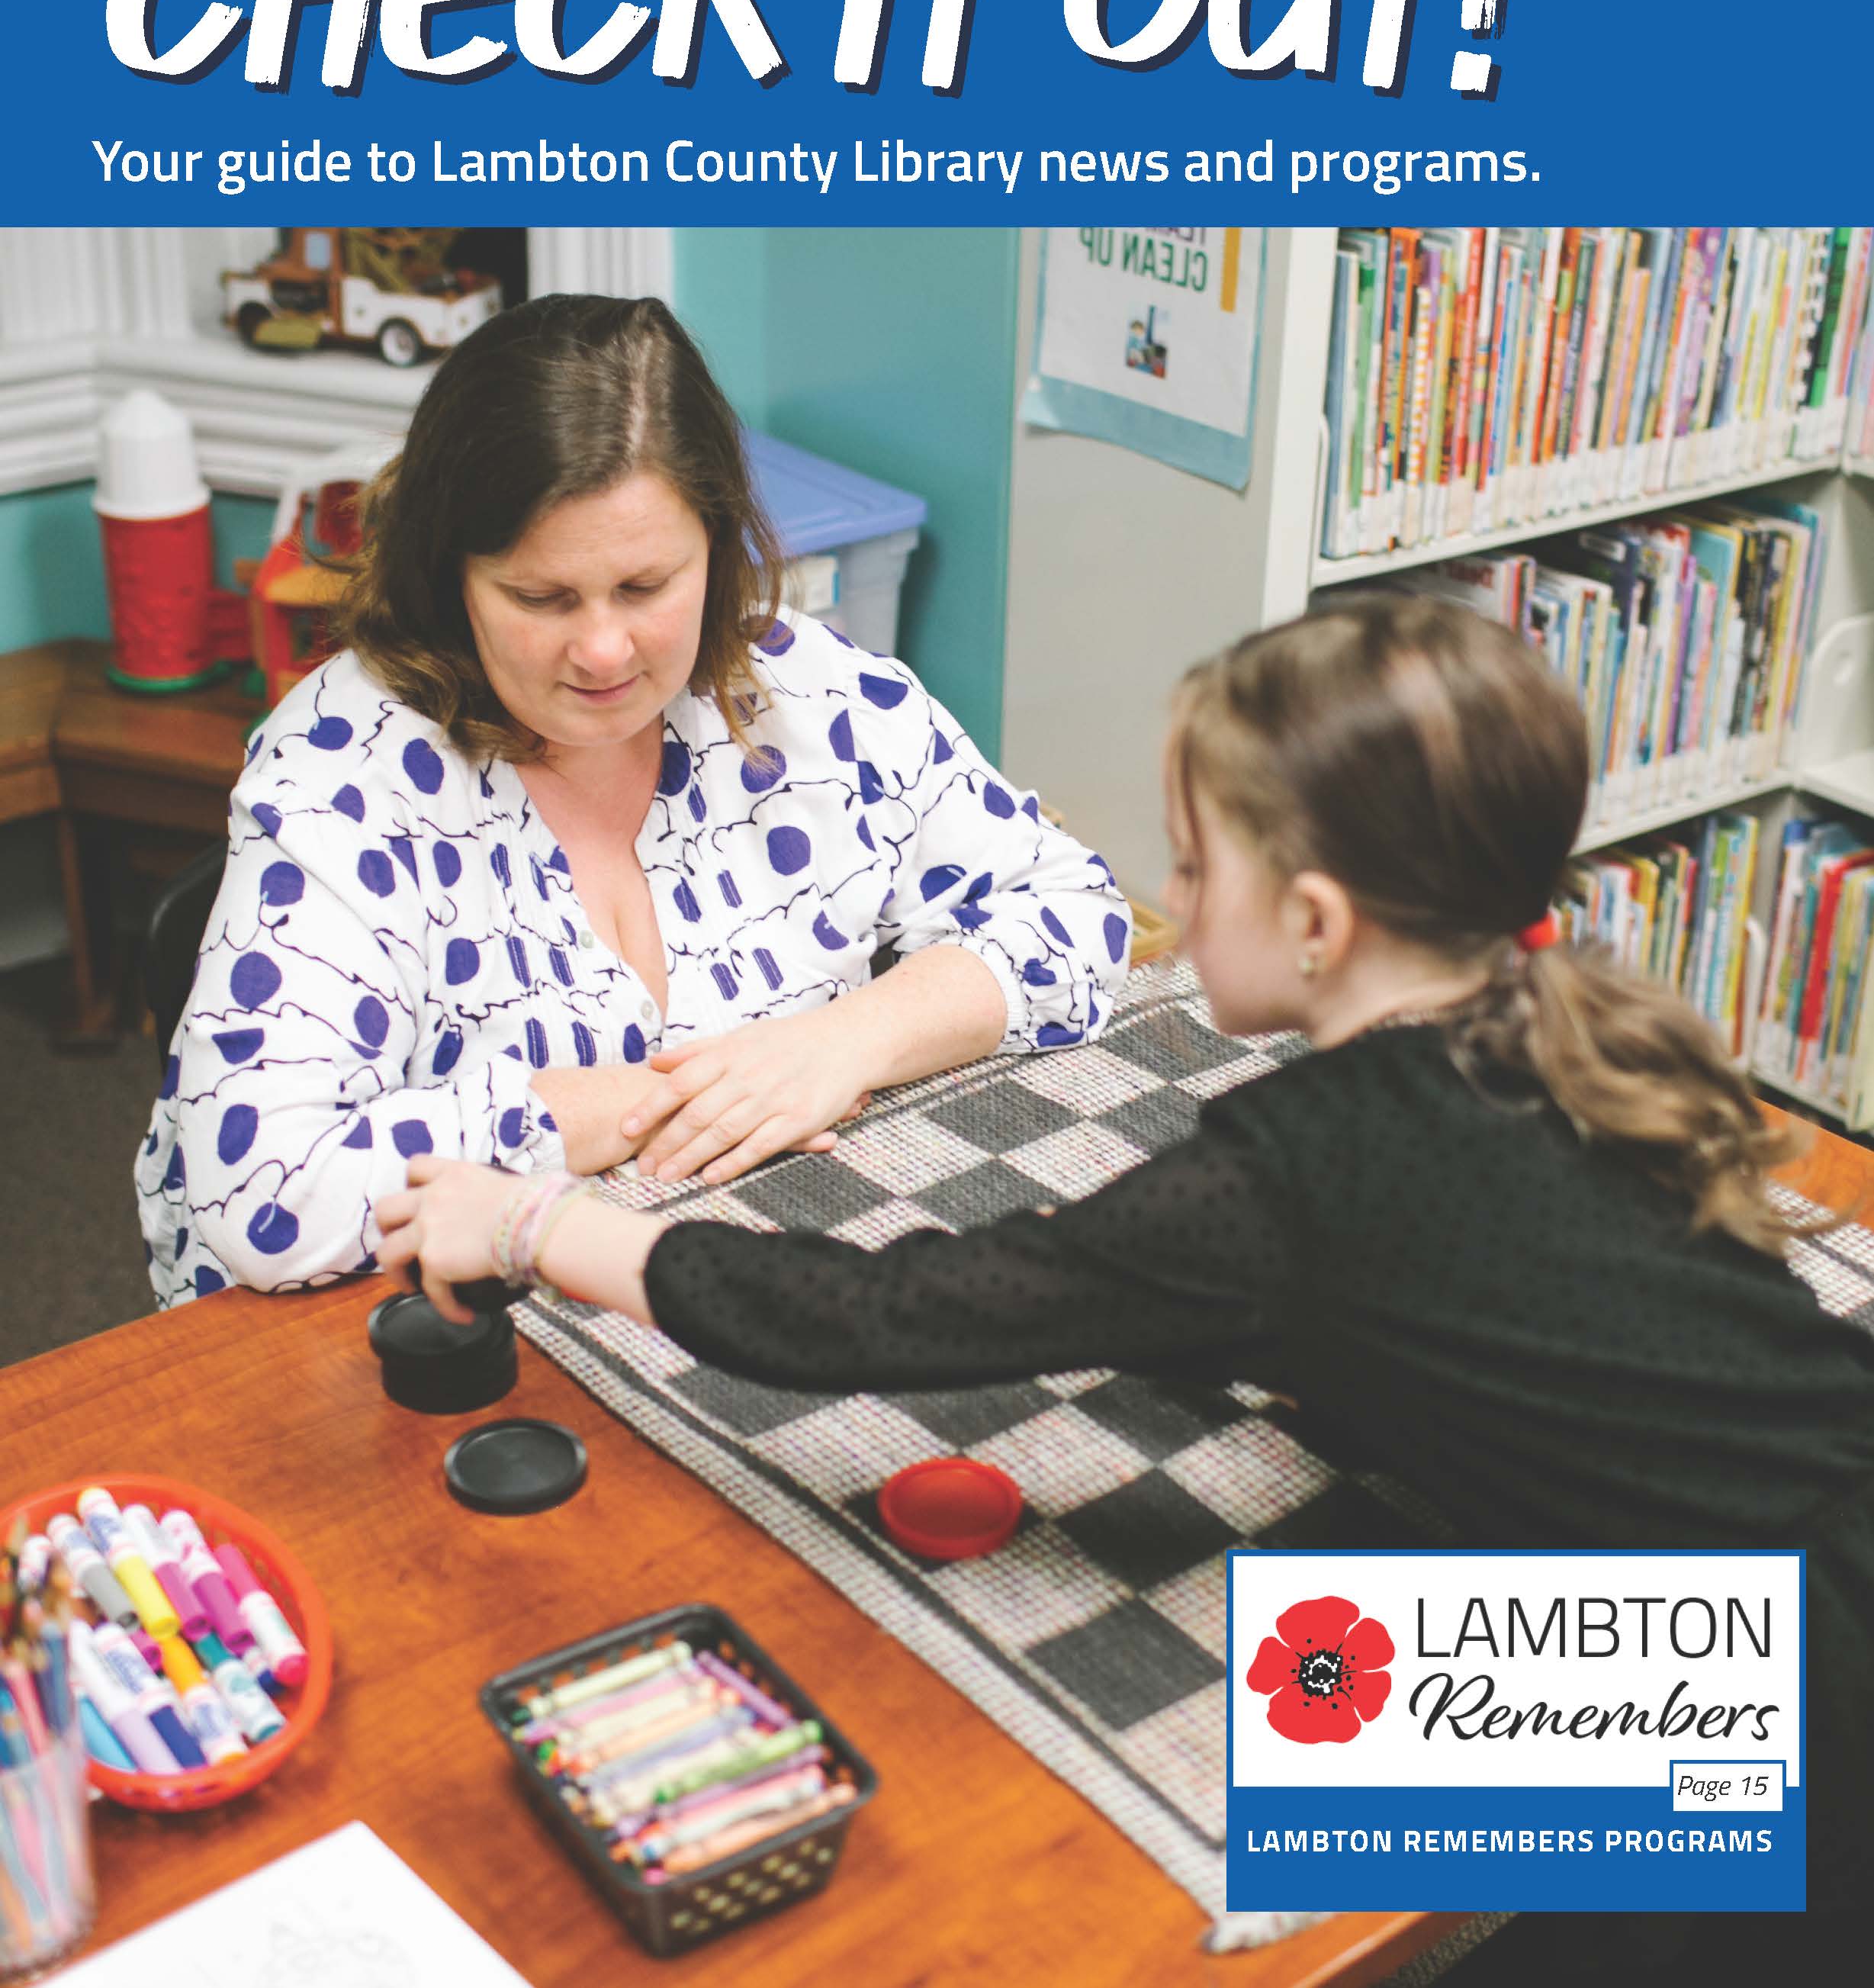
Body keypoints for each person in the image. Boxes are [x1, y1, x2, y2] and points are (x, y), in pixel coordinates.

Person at [381, 592, 1874, 1949]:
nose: (1163, 891)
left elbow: (869, 1316)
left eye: (1187, 864)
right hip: (1825, 1523)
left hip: (1772, 1697)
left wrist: (534, 1225)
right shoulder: (1547, 1009)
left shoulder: (1301, 1164)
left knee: (1191, 1816)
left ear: (1312, 922)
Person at [136, 294, 1130, 1306]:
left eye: (648, 585)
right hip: (412, 1323)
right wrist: (631, 1107)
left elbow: (1074, 914)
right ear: (451, 576)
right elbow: (261, 1193)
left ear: (717, 545)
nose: (604, 650)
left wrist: (838, 1042)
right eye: (542, 599)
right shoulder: (344, 770)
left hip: (731, 1284)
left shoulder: (805, 691)